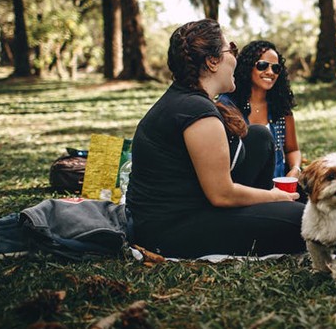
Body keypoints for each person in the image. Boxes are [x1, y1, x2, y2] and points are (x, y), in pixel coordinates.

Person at [127, 19, 305, 258]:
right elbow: (222, 194)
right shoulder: (196, 112)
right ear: (212, 62)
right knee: (304, 221)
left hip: (195, 204)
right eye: (230, 49)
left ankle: (269, 211)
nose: (235, 57)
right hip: (172, 228)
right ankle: (274, 211)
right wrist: (274, 196)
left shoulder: (189, 100)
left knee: (259, 137)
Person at [218, 41, 302, 178]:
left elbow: (292, 150)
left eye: (276, 68)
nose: (270, 72)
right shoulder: (228, 105)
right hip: (242, 188)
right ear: (247, 67)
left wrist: (295, 169)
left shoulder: (280, 106)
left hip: (279, 188)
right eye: (262, 65)